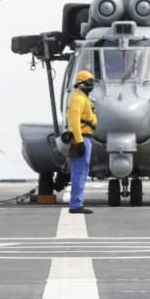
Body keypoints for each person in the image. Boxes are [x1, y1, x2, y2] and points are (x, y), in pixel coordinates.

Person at [67, 70, 97, 214]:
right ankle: (76, 204)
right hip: (81, 137)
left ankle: (77, 202)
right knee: (79, 172)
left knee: (82, 171)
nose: (92, 85)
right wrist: (79, 141)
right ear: (82, 83)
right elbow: (74, 120)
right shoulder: (78, 98)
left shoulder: (84, 97)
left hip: (85, 138)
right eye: (90, 82)